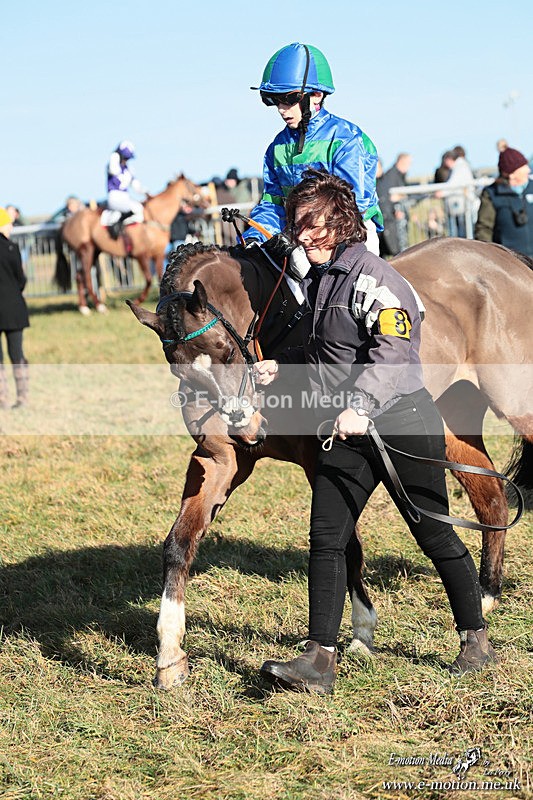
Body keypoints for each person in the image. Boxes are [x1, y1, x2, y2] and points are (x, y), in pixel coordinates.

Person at [253, 170, 496, 694]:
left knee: (432, 533)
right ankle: (320, 659)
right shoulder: (321, 279)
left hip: (401, 423)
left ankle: (475, 640)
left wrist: (361, 405)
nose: (303, 236)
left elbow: (392, 353)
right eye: (299, 226)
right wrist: (284, 364)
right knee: (327, 536)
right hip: (349, 429)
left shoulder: (375, 278)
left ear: (340, 224)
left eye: (314, 226)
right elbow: (329, 351)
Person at [243, 42, 383, 256]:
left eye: (289, 99)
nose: (281, 109)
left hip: (351, 235)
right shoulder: (276, 148)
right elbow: (273, 203)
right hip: (301, 237)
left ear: (317, 95)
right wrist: (256, 234)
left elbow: (352, 205)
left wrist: (311, 233)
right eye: (274, 100)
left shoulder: (347, 138)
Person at [474, 147, 533, 257]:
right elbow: (484, 229)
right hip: (511, 262)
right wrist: (489, 257)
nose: (528, 170)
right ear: (511, 174)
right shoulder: (491, 194)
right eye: (523, 167)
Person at [0, 207, 29, 409]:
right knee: (16, 353)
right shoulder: (12, 249)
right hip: (13, 309)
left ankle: (1, 399)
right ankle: (22, 398)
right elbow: (21, 280)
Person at [106, 140, 147, 238]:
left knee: (140, 210)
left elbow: (136, 186)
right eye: (125, 157)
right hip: (114, 196)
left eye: (128, 158)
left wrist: (146, 193)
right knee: (137, 209)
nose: (126, 160)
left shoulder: (129, 170)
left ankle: (122, 227)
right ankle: (116, 226)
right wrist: (115, 156)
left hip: (125, 197)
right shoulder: (113, 165)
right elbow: (113, 170)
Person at [376, 153, 412, 256]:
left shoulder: (384, 181)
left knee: (396, 251)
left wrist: (394, 209)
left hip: (389, 222)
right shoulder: (388, 178)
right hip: (382, 223)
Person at [436, 146, 476, 238]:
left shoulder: (460, 167)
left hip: (461, 206)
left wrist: (442, 193)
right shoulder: (462, 166)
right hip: (460, 206)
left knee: (461, 233)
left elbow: (453, 184)